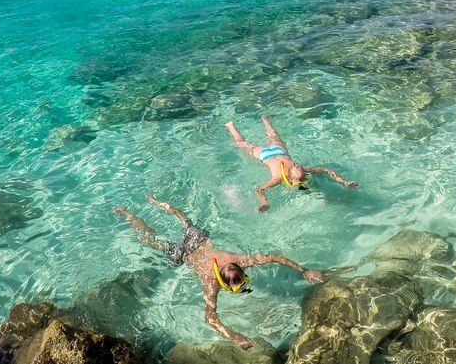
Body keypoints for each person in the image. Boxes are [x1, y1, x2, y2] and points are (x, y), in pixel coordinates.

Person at [113, 194, 323, 349]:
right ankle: (156, 201)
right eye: (236, 271)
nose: (231, 269)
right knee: (182, 217)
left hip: (182, 254)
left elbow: (210, 318)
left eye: (231, 275)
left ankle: (127, 215)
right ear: (241, 269)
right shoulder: (240, 260)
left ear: (224, 283)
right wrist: (303, 270)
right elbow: (274, 258)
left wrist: (233, 336)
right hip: (198, 240)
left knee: (150, 238)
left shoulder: (210, 282)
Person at [225, 115, 358, 212]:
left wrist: (344, 182)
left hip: (273, 153)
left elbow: (325, 170)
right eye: (298, 168)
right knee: (263, 139)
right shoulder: (278, 178)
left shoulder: (297, 171)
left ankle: (254, 121)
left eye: (298, 168)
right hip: (266, 156)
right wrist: (265, 203)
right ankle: (258, 121)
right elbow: (259, 189)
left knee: (267, 138)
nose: (297, 166)